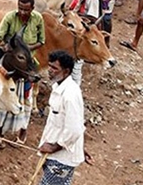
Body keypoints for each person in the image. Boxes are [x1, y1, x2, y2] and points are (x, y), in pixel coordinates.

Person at [0, 0, 44, 148]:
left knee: (26, 100)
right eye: (20, 8)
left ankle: (22, 132)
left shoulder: (38, 19)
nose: (22, 12)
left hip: (28, 67)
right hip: (10, 65)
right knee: (4, 99)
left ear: (32, 8)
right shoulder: (10, 17)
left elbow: (41, 41)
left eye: (26, 9)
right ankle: (0, 134)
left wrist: (24, 49)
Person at [38, 51, 87, 185]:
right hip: (56, 153)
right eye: (49, 66)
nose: (49, 71)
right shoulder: (58, 87)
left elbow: (75, 129)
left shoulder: (70, 95)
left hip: (61, 157)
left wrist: (54, 147)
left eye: (54, 68)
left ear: (66, 71)